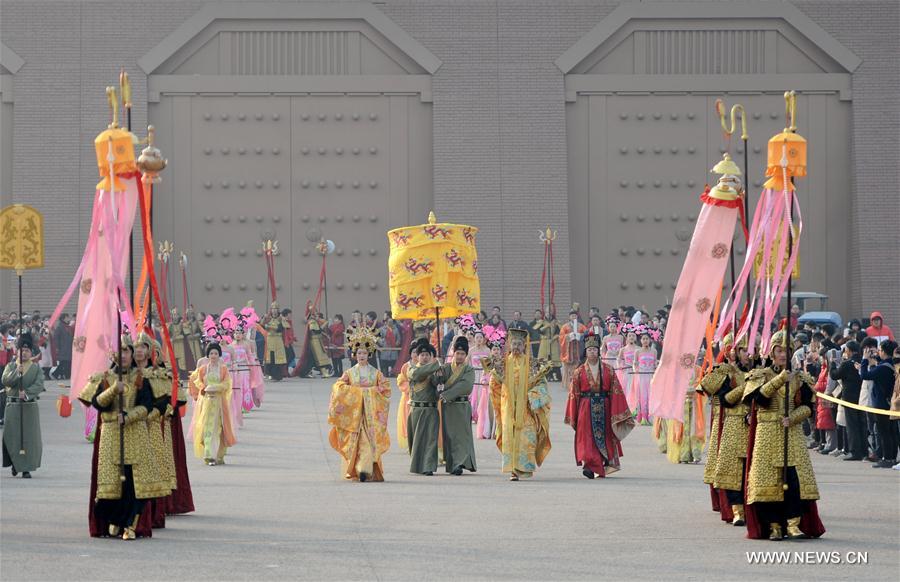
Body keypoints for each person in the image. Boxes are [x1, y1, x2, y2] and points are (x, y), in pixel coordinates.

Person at [78, 337, 165, 540]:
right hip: (111, 434)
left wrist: (128, 416)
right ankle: (114, 521)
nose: (124, 355)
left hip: (135, 433)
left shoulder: (141, 377)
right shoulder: (106, 377)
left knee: (134, 482)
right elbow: (96, 403)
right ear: (114, 354)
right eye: (121, 351)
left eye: (128, 351)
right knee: (113, 480)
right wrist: (111, 390)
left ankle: (131, 524)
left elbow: (148, 405)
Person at [742, 330, 825, 541]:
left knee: (794, 479)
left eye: (785, 351)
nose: (782, 355)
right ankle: (774, 525)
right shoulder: (760, 374)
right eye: (778, 351)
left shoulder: (800, 377)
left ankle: (793, 523)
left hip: (791, 433)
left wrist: (794, 417)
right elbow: (757, 400)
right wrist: (779, 380)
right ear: (771, 353)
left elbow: (808, 406)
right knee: (767, 480)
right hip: (767, 431)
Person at [327, 325, 391, 482]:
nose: (362, 355)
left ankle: (365, 469)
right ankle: (360, 469)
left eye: (364, 353)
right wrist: (358, 393)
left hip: (370, 416)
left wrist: (370, 392)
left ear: (369, 354)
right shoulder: (349, 373)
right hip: (354, 416)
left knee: (368, 442)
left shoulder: (376, 373)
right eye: (359, 353)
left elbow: (386, 390)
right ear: (354, 354)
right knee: (357, 443)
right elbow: (338, 387)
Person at [487, 328, 552, 481]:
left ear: (524, 346)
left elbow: (542, 383)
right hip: (508, 406)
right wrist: (498, 391)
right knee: (510, 436)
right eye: (513, 343)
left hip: (526, 407)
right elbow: (494, 383)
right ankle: (513, 470)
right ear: (509, 344)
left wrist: (533, 395)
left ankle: (525, 468)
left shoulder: (532, 364)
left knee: (526, 436)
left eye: (519, 344)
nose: (516, 347)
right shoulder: (503, 363)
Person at [565, 333, 633, 478]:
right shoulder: (579, 372)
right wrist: (573, 412)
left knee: (605, 435)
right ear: (586, 351)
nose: (592, 352)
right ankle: (589, 464)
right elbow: (574, 394)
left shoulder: (608, 369)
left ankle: (600, 462)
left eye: (595, 349)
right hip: (585, 406)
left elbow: (616, 390)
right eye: (589, 350)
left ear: (599, 351)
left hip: (604, 405)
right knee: (587, 436)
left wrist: (617, 410)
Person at [700, 335, 751, 526]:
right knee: (733, 468)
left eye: (751, 350)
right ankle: (737, 509)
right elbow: (722, 399)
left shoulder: (761, 371)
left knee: (751, 468)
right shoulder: (725, 371)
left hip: (757, 425)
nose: (749, 354)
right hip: (733, 424)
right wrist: (745, 386)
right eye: (745, 350)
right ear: (735, 352)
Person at [2, 334, 45, 478]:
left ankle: (26, 468)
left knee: (29, 439)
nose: (24, 353)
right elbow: (6, 381)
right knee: (13, 437)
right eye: (21, 350)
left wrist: (27, 393)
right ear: (17, 352)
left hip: (29, 407)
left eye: (27, 351)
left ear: (31, 353)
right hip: (13, 407)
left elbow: (39, 385)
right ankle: (15, 463)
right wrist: (17, 373)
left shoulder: (36, 368)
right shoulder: (11, 366)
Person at [188, 343, 237, 466]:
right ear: (208, 355)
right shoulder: (203, 369)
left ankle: (219, 455)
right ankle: (209, 454)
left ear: (219, 355)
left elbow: (227, 383)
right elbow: (195, 380)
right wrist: (203, 388)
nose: (213, 355)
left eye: (215, 353)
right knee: (207, 427)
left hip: (220, 402)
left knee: (220, 428)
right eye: (211, 353)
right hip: (206, 402)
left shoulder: (223, 369)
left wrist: (217, 387)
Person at [436, 336, 477, 475]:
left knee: (462, 436)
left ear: (466, 355)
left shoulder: (469, 370)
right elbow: (437, 383)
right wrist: (438, 373)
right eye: (457, 353)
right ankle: (453, 464)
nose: (459, 356)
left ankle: (460, 463)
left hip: (462, 406)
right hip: (449, 407)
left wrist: (446, 395)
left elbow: (465, 386)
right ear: (453, 353)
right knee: (450, 436)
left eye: (462, 354)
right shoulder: (446, 368)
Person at [859, 339, 898, 468]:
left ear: (885, 352)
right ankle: (892, 458)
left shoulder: (882, 368)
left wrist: (864, 360)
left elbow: (864, 375)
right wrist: (875, 359)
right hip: (890, 403)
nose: (878, 352)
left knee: (884, 432)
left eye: (880, 350)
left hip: (881, 404)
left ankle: (887, 458)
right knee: (891, 432)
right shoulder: (892, 364)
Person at [406, 342, 442, 476]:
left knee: (431, 439)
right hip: (416, 410)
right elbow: (418, 375)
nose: (425, 357)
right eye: (422, 355)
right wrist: (436, 365)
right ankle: (418, 465)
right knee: (418, 439)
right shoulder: (412, 369)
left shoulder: (434, 370)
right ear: (417, 356)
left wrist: (439, 377)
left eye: (428, 355)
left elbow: (438, 383)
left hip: (431, 410)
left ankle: (428, 466)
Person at [830, 340, 866, 460]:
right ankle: (864, 451)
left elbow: (835, 375)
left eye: (846, 350)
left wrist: (833, 364)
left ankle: (855, 451)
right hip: (861, 398)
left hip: (849, 398)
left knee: (852, 425)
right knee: (862, 424)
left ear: (849, 351)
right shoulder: (863, 361)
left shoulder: (846, 364)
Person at [396, 338, 428, 451]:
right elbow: (401, 381)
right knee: (408, 421)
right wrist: (411, 388)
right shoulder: (406, 366)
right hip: (408, 398)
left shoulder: (425, 365)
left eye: (417, 352)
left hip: (423, 398)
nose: (415, 354)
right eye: (413, 352)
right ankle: (412, 442)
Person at [469, 329, 494, 439]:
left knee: (482, 396)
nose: (479, 339)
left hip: (484, 374)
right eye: (477, 337)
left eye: (480, 338)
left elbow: (490, 364)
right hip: (474, 373)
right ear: (474, 339)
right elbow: (468, 363)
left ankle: (482, 416)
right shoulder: (471, 350)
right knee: (474, 396)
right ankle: (474, 415)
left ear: (483, 339)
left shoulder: (488, 350)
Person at [631, 328, 659, 425]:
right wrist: (636, 371)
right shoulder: (637, 352)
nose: (645, 341)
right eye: (643, 339)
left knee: (651, 396)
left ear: (650, 340)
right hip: (641, 377)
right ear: (640, 340)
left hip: (651, 376)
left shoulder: (654, 351)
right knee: (643, 397)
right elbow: (634, 364)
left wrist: (657, 369)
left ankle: (651, 418)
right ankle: (643, 418)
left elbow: (655, 364)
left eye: (647, 339)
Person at [559, 309, 586, 391]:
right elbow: (561, 337)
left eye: (575, 315)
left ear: (577, 317)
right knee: (568, 369)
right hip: (568, 351)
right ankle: (568, 385)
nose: (573, 317)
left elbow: (586, 334)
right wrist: (569, 336)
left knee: (578, 367)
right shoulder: (565, 327)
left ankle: (578, 384)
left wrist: (579, 335)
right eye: (572, 315)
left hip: (578, 350)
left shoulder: (581, 326)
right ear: (569, 317)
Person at [262, 303, 288, 381]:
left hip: (278, 340)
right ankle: (270, 373)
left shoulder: (281, 318)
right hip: (269, 340)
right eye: (273, 309)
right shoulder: (268, 318)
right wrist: (264, 318)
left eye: (276, 309)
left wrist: (269, 327)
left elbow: (281, 328)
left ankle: (277, 375)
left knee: (277, 358)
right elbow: (261, 325)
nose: (274, 311)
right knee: (270, 357)